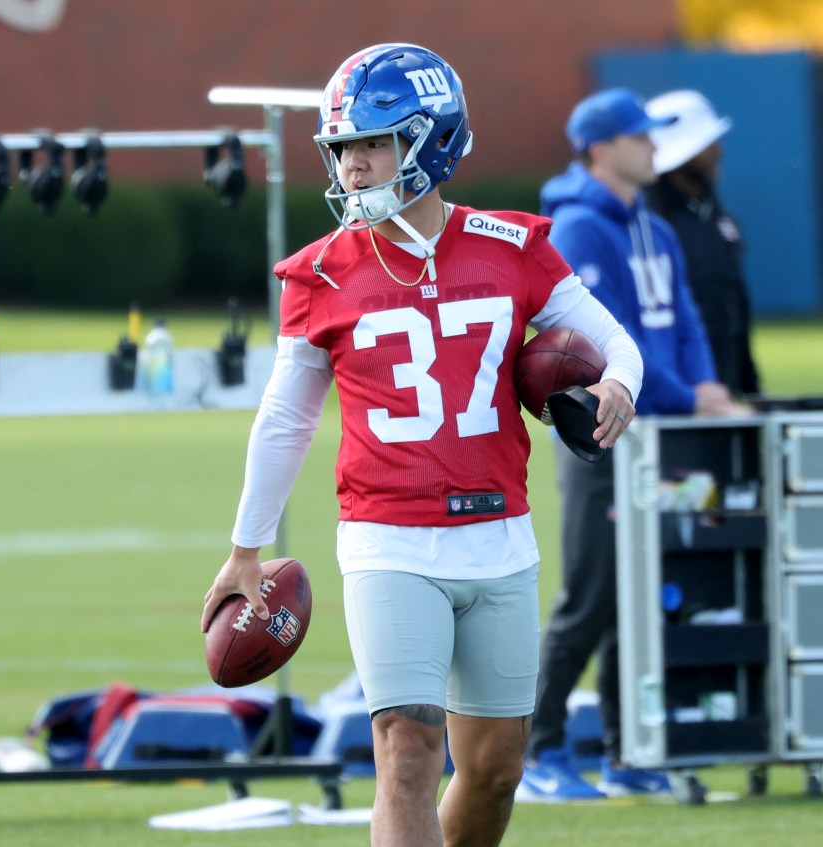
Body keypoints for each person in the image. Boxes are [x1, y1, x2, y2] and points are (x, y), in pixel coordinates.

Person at [200, 45, 642, 846]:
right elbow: (286, 417)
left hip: (499, 535)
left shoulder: (512, 245)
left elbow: (618, 343)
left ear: (431, 140)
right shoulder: (320, 272)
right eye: (343, 148)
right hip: (388, 540)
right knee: (407, 751)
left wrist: (619, 385)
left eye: (373, 144)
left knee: (497, 769)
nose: (353, 166)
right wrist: (245, 547)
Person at [520, 87, 750, 801]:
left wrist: (704, 387)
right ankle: (536, 752)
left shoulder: (653, 225)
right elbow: (609, 340)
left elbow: (685, 324)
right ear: (600, 148)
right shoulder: (578, 228)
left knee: (640, 597)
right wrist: (691, 397)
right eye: (639, 136)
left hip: (660, 431)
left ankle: (627, 752)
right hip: (599, 435)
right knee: (591, 596)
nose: (654, 146)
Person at [644, 89, 761, 397]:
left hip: (724, 390)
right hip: (673, 394)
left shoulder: (718, 216)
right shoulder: (648, 223)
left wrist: (749, 385)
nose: (717, 151)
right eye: (704, 144)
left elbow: (735, 304)